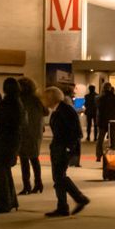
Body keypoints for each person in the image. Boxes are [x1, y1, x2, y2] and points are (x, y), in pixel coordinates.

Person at [43, 85, 89, 217]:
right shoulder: (59, 109)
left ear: (51, 98)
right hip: (59, 146)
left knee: (59, 176)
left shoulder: (65, 110)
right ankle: (63, 206)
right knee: (58, 177)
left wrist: (68, 147)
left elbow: (74, 131)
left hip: (63, 147)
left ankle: (79, 198)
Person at [0, 77, 23, 213]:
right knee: (4, 171)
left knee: (0, 173)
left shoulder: (7, 103)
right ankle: (10, 201)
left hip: (4, 139)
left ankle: (4, 203)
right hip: (12, 139)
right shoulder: (17, 102)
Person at [17, 77, 46, 195]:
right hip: (36, 131)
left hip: (25, 131)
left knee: (24, 159)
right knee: (34, 158)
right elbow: (46, 112)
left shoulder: (20, 99)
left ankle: (27, 186)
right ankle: (38, 183)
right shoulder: (37, 99)